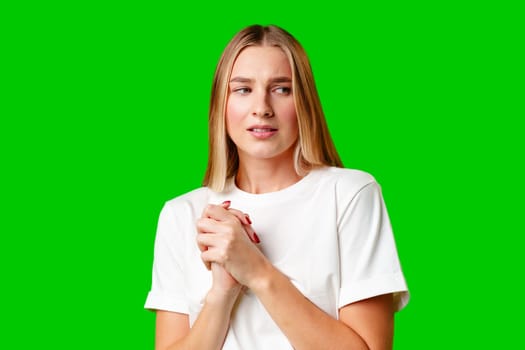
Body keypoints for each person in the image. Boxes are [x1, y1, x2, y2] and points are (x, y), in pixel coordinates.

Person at [145, 24, 409, 350]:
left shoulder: (350, 195)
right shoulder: (181, 214)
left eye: (282, 89)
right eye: (242, 89)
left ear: (305, 104)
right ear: (220, 106)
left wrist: (256, 271)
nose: (262, 108)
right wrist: (223, 293)